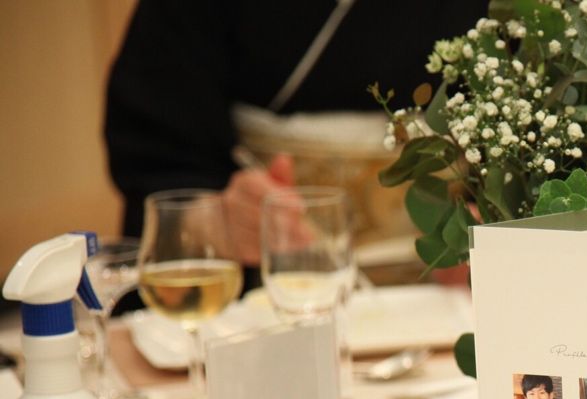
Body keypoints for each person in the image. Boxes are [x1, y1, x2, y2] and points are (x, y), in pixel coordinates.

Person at [104, 1, 484, 271]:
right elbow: (156, 148)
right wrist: (217, 219)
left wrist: (493, 221)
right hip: (261, 286)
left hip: (450, 296)